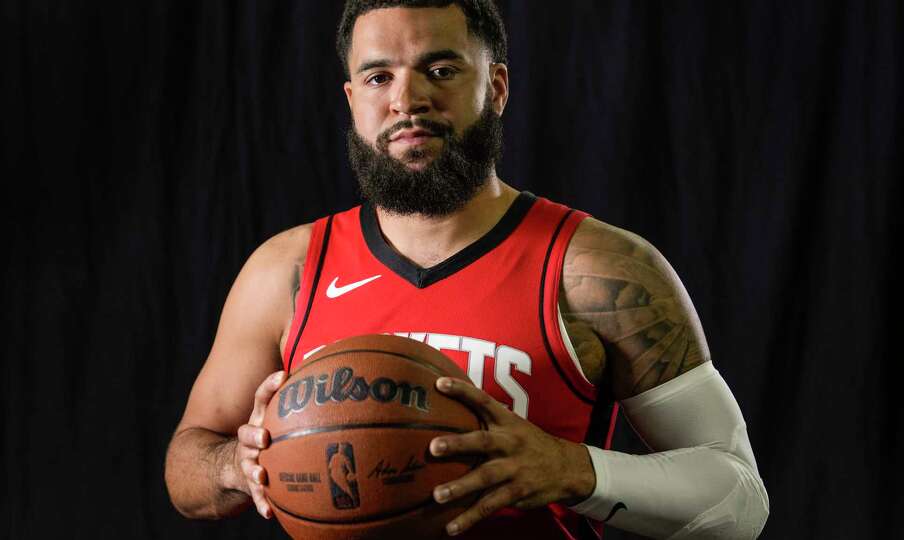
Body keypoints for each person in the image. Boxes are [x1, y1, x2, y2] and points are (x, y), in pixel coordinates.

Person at [164, 1, 770, 538]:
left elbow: (739, 499)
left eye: (441, 69)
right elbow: (187, 462)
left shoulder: (597, 270)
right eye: (379, 76)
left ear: (497, 86)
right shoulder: (290, 269)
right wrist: (234, 466)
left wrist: (571, 468)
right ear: (353, 100)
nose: (407, 99)